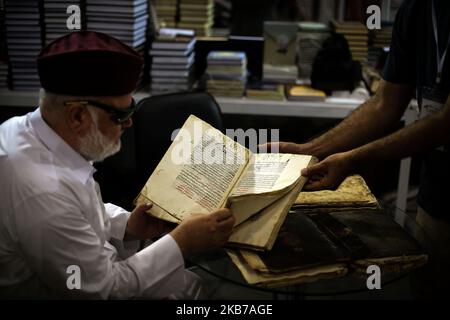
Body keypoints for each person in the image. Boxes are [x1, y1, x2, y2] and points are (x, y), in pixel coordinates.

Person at [0, 31, 235, 299]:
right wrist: (182, 243)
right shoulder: (43, 191)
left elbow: (77, 210)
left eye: (131, 110)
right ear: (77, 115)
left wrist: (127, 226)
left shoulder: (23, 129)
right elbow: (105, 290)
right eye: (120, 115)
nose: (129, 124)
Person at [265, 0, 450, 298]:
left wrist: (352, 160)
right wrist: (310, 149)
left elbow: (445, 123)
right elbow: (383, 105)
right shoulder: (415, 11)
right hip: (436, 197)